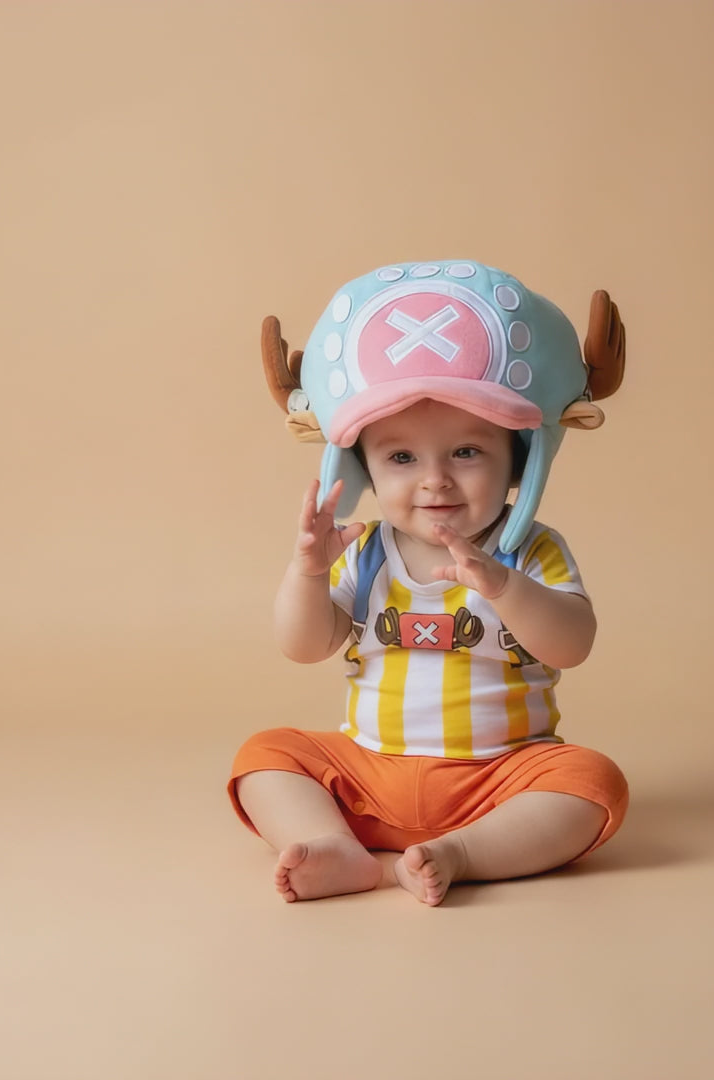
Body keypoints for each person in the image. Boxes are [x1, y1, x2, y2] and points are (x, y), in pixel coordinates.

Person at [229, 260, 629, 905]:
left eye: (467, 452)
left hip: (499, 780)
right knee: (265, 756)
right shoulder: (362, 550)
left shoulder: (531, 549)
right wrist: (308, 570)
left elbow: (572, 645)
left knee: (592, 782)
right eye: (401, 457)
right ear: (363, 471)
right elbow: (303, 646)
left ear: (517, 463)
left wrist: (503, 586)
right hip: (369, 773)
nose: (434, 479)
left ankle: (463, 852)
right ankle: (333, 844)